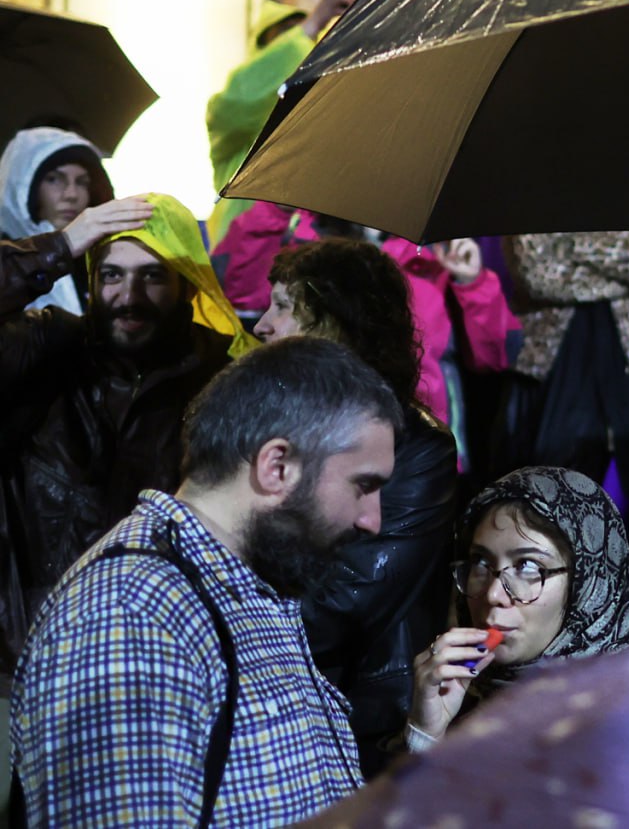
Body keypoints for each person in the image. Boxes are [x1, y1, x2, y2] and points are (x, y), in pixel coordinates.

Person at [11, 336, 400, 825]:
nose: (373, 520)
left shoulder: (246, 582)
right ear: (276, 467)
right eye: (363, 485)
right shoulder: (130, 617)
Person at [1, 192, 252, 671]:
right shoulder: (46, 350)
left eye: (153, 275)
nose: (129, 298)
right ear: (91, 280)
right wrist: (60, 245)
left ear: (188, 284)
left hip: (168, 660)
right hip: (33, 654)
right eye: (112, 274)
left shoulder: (226, 376)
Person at [253, 237, 457, 777]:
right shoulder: (265, 432)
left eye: (283, 306)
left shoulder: (418, 448)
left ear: (333, 325)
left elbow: (349, 596)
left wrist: (239, 636)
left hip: (361, 717)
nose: (261, 326)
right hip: (274, 701)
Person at [216, 201, 521, 475]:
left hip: (415, 443)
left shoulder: (436, 253)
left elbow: (493, 357)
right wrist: (276, 207)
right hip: (312, 430)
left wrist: (472, 282)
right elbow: (240, 293)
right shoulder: (301, 235)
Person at [405, 466, 629, 750]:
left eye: (528, 566)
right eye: (480, 563)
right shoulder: (464, 700)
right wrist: (425, 734)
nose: (493, 593)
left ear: (590, 584)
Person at [493, 231, 629, 585]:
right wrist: (625, 262)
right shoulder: (535, 192)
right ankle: (557, 591)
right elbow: (538, 276)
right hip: (556, 364)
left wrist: (572, 244)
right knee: (552, 487)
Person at [205, 0, 356, 245]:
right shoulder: (228, 113)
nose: (298, 45)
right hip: (244, 257)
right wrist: (311, 25)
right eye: (284, 36)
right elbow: (247, 92)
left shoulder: (323, 114)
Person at [0, 126, 116, 313]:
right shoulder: (6, 267)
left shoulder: (104, 262)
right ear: (24, 185)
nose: (71, 194)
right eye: (54, 179)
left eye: (82, 182)